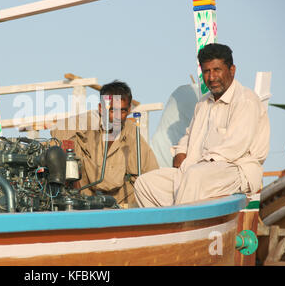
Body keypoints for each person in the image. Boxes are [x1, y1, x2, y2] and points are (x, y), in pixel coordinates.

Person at [134, 43, 270, 207]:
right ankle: (164, 230)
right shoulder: (203, 103)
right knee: (146, 183)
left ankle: (183, 228)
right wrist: (181, 152)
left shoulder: (246, 101)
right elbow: (189, 136)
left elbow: (233, 149)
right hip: (196, 170)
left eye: (217, 70)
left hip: (236, 170)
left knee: (194, 176)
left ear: (232, 70)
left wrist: (193, 166)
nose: (211, 77)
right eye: (207, 71)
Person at [51, 80, 159, 207]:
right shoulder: (87, 122)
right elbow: (57, 132)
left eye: (123, 111)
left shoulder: (132, 134)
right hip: (84, 198)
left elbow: (152, 174)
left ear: (129, 110)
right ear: (101, 108)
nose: (118, 117)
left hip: (120, 202)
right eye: (112, 111)